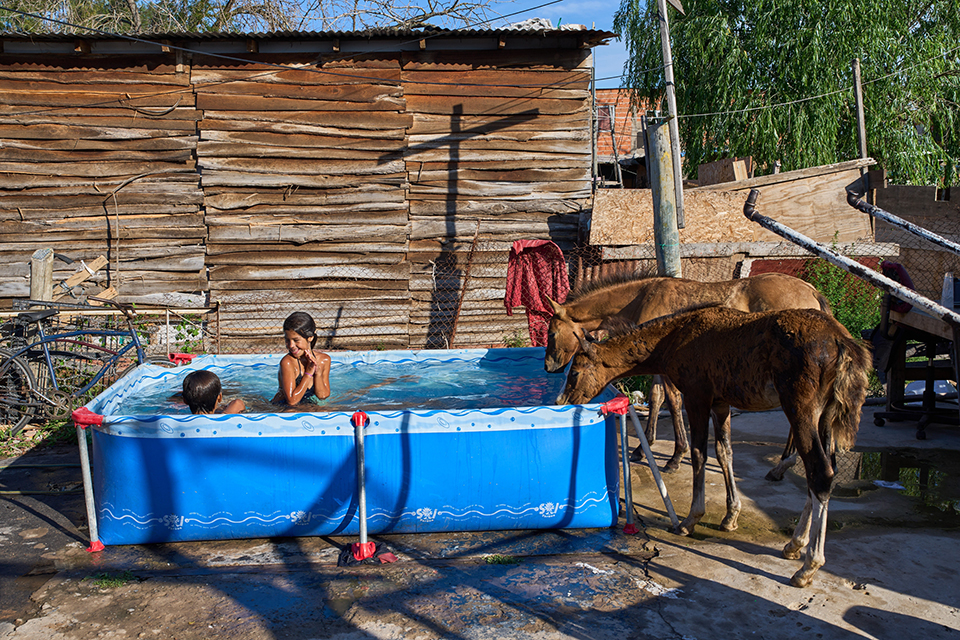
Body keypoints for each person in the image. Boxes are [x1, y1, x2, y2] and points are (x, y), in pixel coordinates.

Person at [272, 311, 331, 407]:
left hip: (305, 405)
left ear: (310, 337)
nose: (291, 346)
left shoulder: (324, 360)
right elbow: (292, 401)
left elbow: (323, 395)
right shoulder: (288, 362)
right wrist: (308, 374)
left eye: (296, 340)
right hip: (280, 407)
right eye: (287, 340)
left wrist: (317, 372)